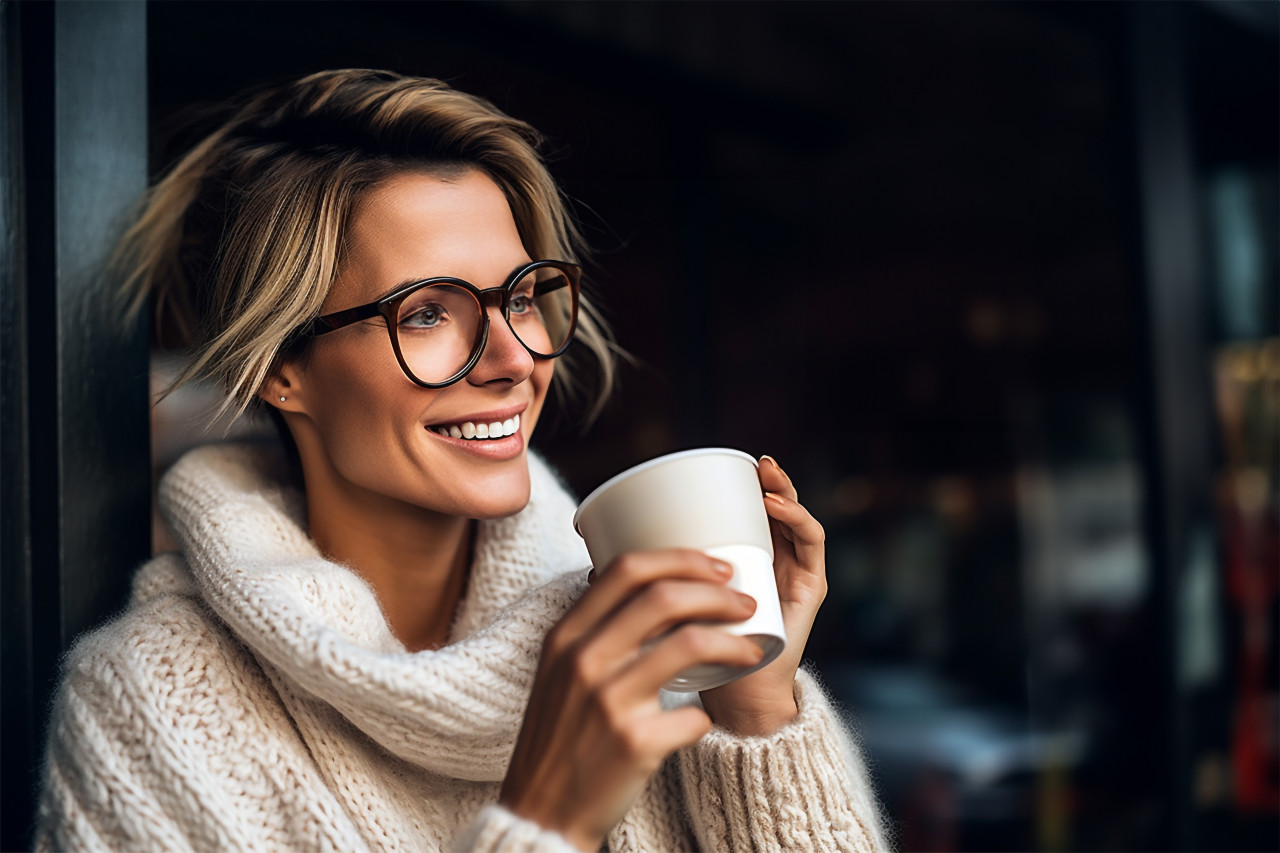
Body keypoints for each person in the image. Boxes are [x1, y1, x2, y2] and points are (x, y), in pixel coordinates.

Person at [35, 69, 888, 852]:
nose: (514, 356)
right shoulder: (151, 710)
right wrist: (543, 822)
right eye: (425, 313)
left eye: (521, 297)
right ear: (280, 370)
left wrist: (754, 710)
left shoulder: (648, 641)